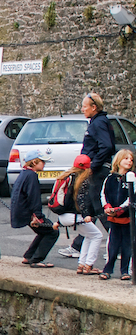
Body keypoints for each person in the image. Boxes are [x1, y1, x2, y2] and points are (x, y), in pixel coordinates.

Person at [60, 92, 115, 257]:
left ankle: (119, 244)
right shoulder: (97, 122)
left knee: (99, 206)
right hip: (94, 169)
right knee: (90, 207)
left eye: (85, 106)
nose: (82, 109)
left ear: (94, 107)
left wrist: (93, 165)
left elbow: (106, 146)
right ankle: (78, 246)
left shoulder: (99, 123)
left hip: (97, 170)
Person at [53, 154, 103, 275]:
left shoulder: (66, 176)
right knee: (97, 236)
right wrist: (86, 215)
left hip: (63, 215)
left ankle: (81, 265)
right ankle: (88, 266)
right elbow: (81, 199)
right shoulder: (82, 180)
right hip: (75, 216)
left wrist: (59, 221)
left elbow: (65, 200)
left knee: (88, 235)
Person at [10, 147, 59, 267]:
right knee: (52, 231)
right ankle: (36, 259)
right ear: (34, 162)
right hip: (29, 213)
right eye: (42, 161)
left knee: (43, 232)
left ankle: (29, 256)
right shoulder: (32, 176)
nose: (44, 164)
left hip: (21, 211)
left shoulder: (24, 174)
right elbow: (33, 197)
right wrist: (38, 216)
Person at [100, 149, 134, 280]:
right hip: (113, 218)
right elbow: (103, 193)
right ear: (119, 161)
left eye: (131, 159)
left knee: (127, 245)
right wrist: (107, 206)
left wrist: (120, 208)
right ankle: (108, 269)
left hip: (127, 217)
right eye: (126, 158)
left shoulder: (132, 178)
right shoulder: (110, 178)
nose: (129, 161)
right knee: (112, 245)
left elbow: (132, 196)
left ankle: (125, 270)